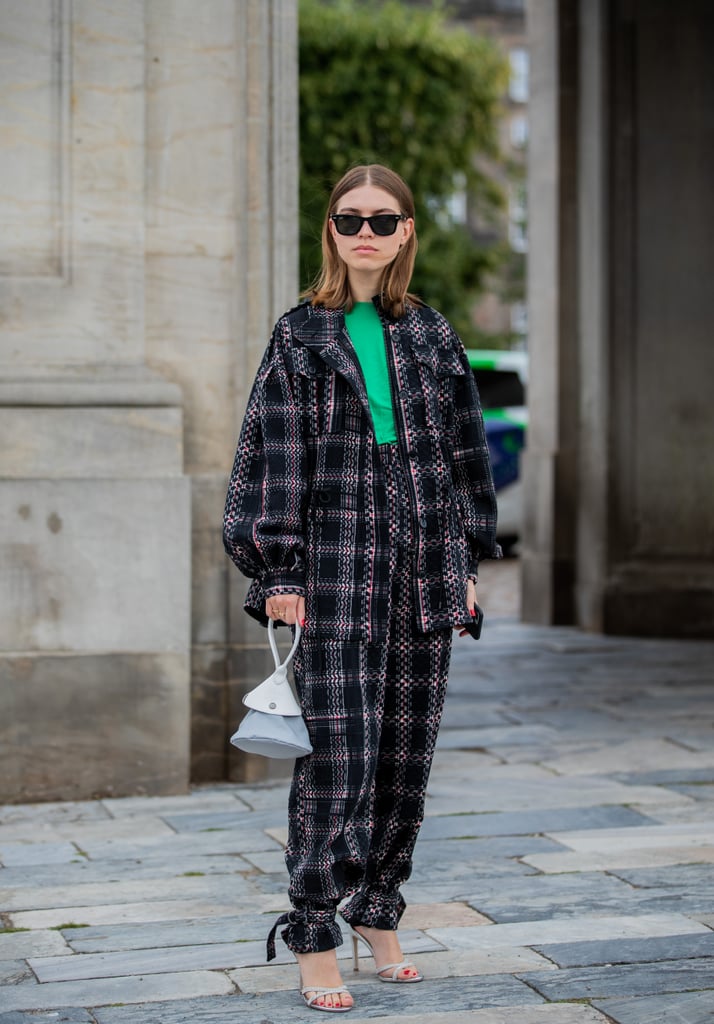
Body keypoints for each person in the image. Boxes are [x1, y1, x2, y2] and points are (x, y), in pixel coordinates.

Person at [223, 164, 500, 1013]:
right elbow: (271, 455)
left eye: (384, 220)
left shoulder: (433, 334)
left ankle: (380, 911)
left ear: (408, 230)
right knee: (341, 757)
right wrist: (276, 570)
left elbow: (463, 456)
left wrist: (466, 565)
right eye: (352, 220)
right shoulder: (301, 335)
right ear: (331, 232)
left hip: (422, 563)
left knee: (405, 756)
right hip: (335, 562)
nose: (367, 234)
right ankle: (314, 931)